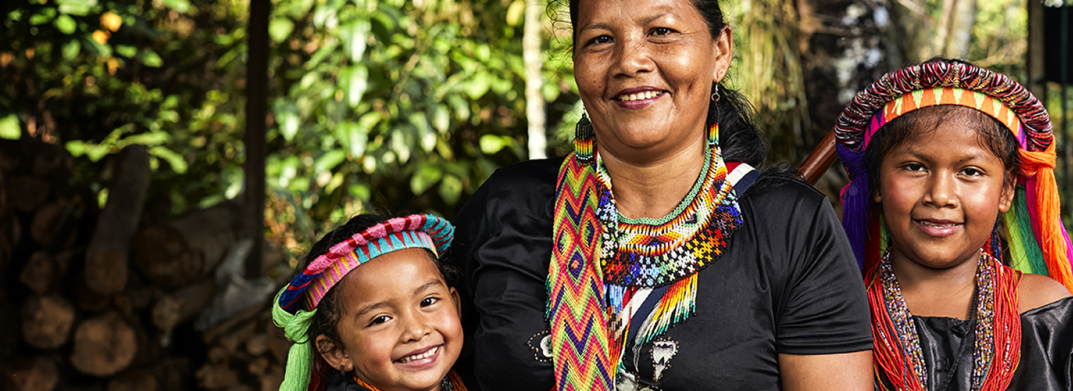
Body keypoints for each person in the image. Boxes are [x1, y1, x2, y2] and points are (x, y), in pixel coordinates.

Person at [444, 0, 872, 389]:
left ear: (720, 50)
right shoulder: (505, 206)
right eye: (600, 39)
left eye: (661, 31)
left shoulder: (790, 225)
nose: (629, 60)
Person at [832, 59, 1073, 391]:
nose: (940, 195)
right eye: (914, 167)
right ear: (878, 185)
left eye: (970, 171)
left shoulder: (1050, 316)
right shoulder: (839, 314)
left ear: (1007, 190)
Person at [271, 214, 469, 391]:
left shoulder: (473, 374)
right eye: (381, 319)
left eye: (428, 301)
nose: (416, 331)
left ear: (455, 304)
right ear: (337, 352)